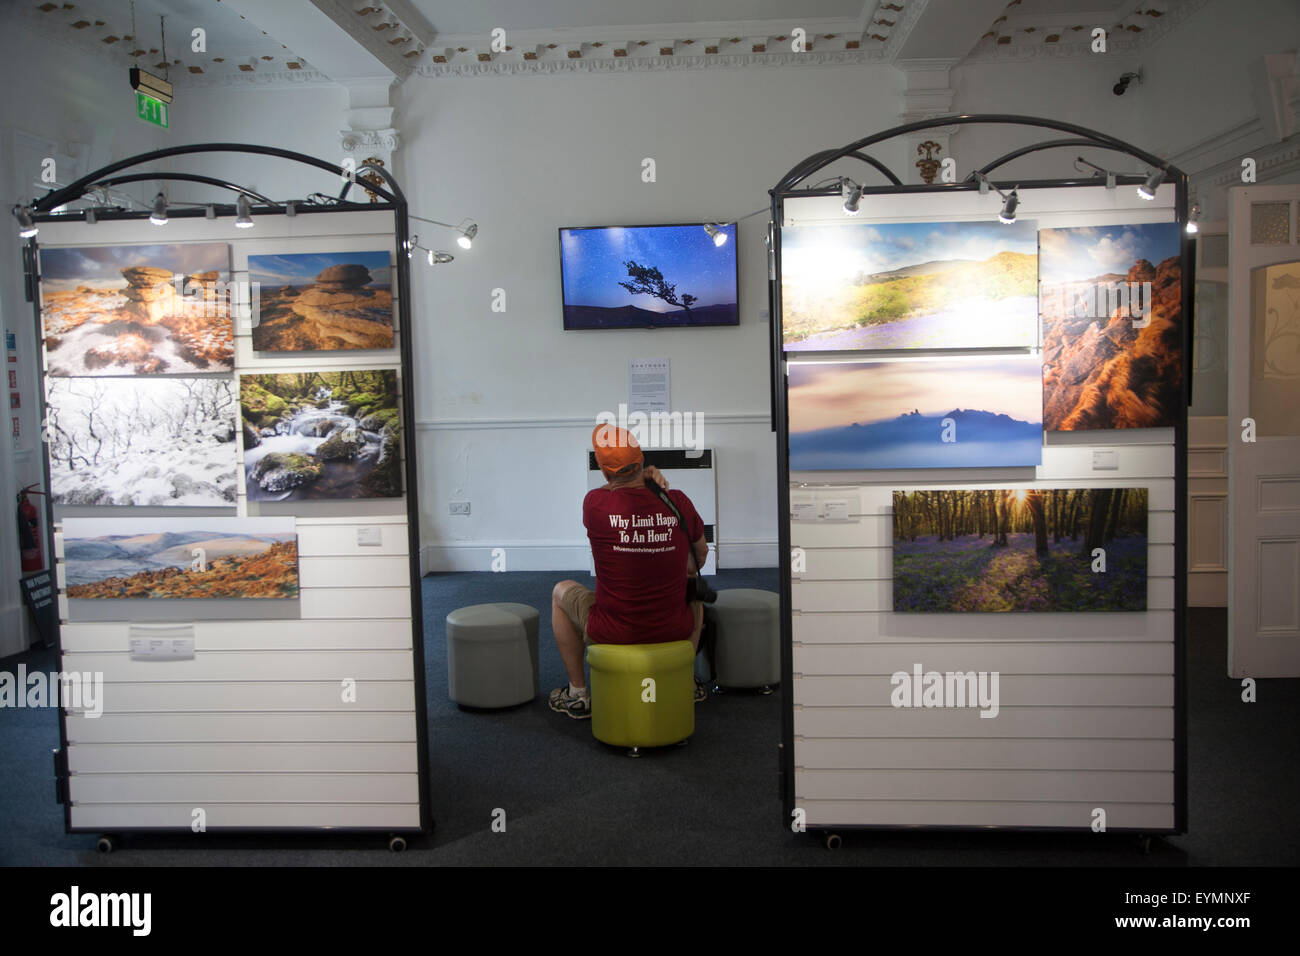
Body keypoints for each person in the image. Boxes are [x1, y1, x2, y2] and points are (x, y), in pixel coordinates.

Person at [549, 424, 709, 719]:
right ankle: (684, 683)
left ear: (603, 469)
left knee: (560, 591)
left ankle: (578, 693)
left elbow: (613, 489)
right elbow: (700, 557)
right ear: (642, 459)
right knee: (693, 592)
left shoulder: (594, 504)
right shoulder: (679, 501)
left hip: (611, 631)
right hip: (672, 627)